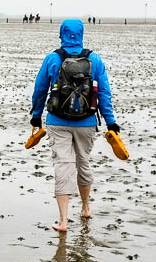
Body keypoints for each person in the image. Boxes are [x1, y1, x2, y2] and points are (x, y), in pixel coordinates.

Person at [29, 19, 120, 233]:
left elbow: (40, 89)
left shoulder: (53, 58)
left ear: (62, 33)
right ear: (81, 33)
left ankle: (62, 221)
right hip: (87, 122)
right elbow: (104, 93)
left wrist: (35, 115)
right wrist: (111, 122)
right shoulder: (94, 59)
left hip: (57, 122)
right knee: (83, 163)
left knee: (63, 166)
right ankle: (86, 208)